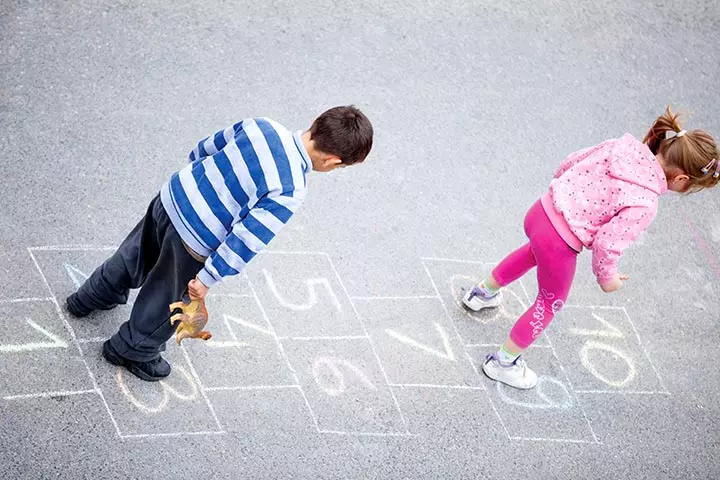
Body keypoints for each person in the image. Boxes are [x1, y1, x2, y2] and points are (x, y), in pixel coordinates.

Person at [65, 106, 374, 381]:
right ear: (333, 161)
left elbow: (205, 148)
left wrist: (195, 186)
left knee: (134, 255)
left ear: (316, 122)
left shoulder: (261, 126)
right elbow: (247, 238)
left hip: (172, 198)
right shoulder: (290, 187)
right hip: (194, 242)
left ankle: (89, 297)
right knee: (167, 299)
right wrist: (208, 278)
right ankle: (134, 349)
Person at [462, 107, 718, 389]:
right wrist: (607, 279)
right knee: (550, 302)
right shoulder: (646, 202)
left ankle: (482, 293)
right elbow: (608, 243)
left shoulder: (623, 147)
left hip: (541, 211)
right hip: (560, 243)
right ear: (681, 179)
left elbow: (571, 161)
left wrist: (562, 192)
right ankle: (503, 363)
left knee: (531, 252)